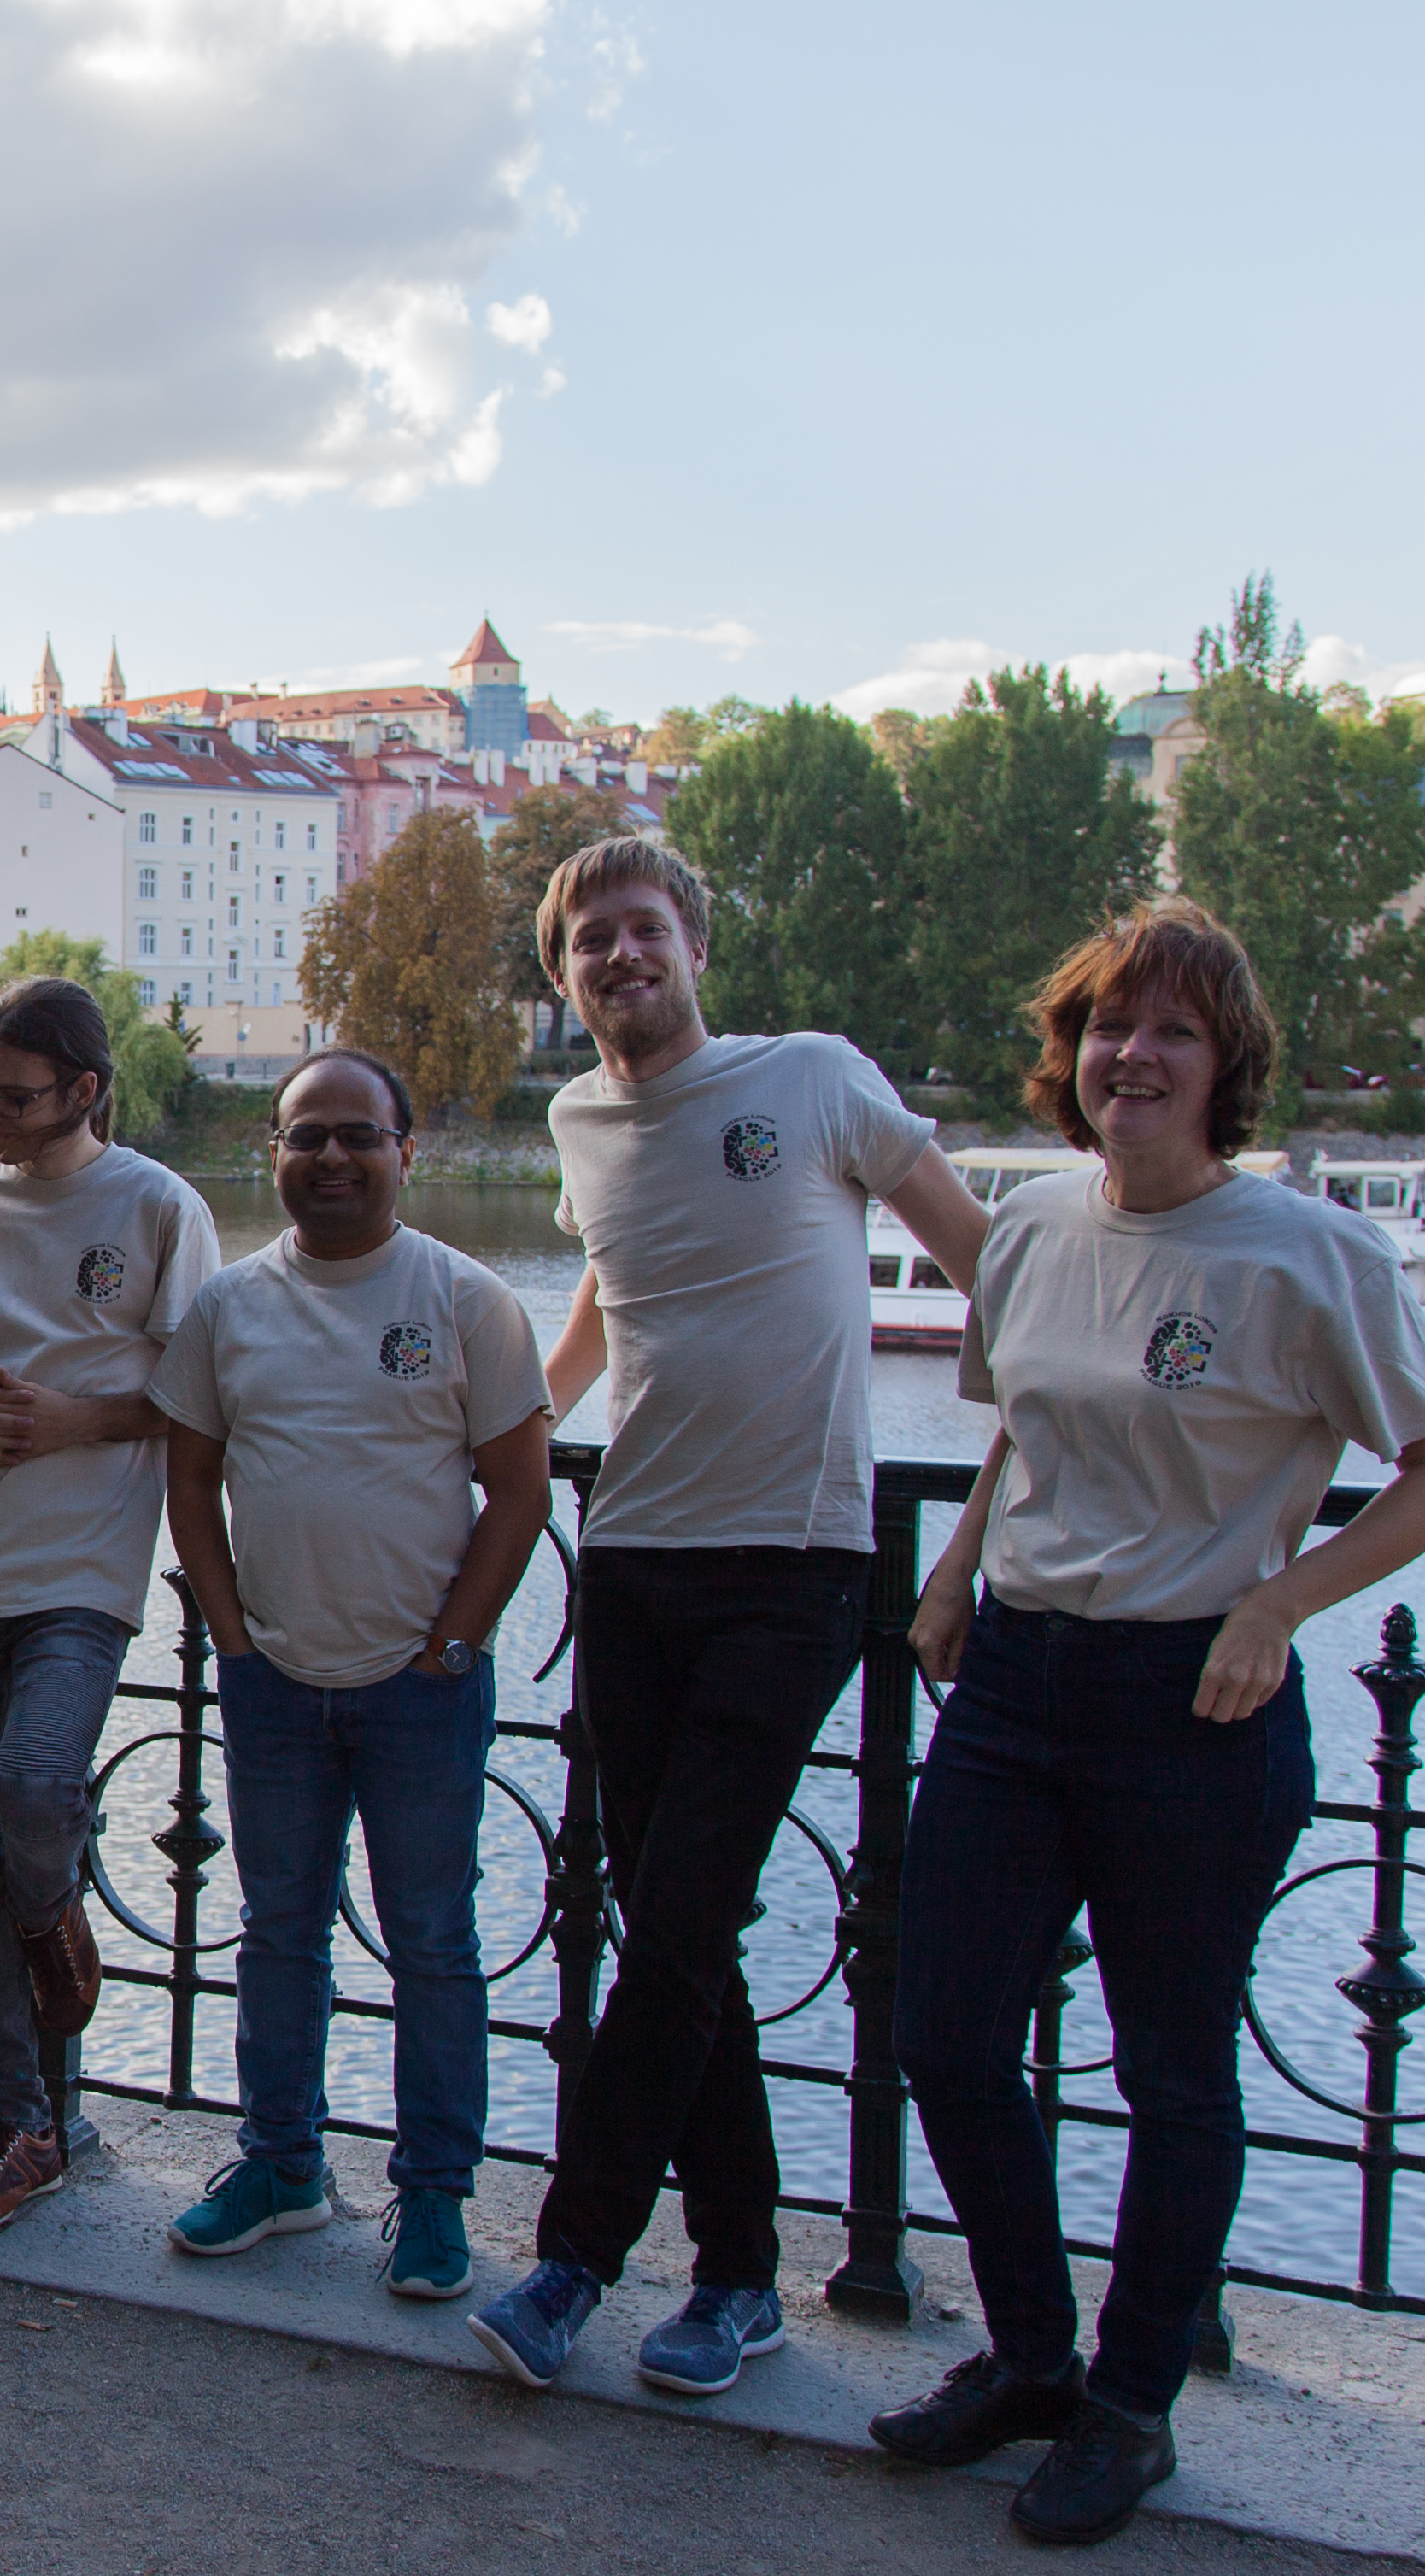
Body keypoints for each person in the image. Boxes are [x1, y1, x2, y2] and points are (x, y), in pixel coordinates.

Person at [877, 902, 1425, 2544]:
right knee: (942, 2029)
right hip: (1016, 1676)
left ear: (1225, 1067)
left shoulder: (1310, 1254)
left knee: (1170, 2069)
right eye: (1106, 1028)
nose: (1130, 1057)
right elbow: (1019, 1430)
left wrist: (1279, 1602)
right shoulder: (1030, 1231)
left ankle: (1130, 2406)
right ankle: (1027, 2357)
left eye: (1170, 1034)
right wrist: (954, 1576)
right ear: (1071, 1057)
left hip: (1189, 1703)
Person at [472, 836, 994, 2402]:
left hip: (797, 1564)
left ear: (693, 939)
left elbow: (999, 1275)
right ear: (564, 980)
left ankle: (574, 2261)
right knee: (673, 1933)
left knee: (682, 1918)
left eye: (643, 929)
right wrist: (498, 1429)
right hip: (632, 1556)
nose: (620, 958)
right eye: (589, 944)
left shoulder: (817, 1081)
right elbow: (606, 1302)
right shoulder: (579, 1120)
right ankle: (743, 2279)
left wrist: (984, 1526)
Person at [151, 1050, 554, 2294]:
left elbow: (521, 1490)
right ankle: (282, 2166)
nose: (330, 1156)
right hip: (273, 1675)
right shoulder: (226, 1305)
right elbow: (187, 1478)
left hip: (417, 1685)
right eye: (304, 1134)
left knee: (431, 1940)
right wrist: (228, 1633)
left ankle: (431, 2195)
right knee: (277, 1932)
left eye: (357, 1136)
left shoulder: (464, 1297)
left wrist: (452, 1644)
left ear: (403, 1152)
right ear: (272, 1150)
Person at [0, 977, 217, 2232]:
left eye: (14, 1095)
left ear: (85, 1090)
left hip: (84, 1564)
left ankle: (56, 1914)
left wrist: (73, 1417)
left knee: (32, 1790)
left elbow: (203, 1381)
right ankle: (19, 2115)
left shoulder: (153, 1203)